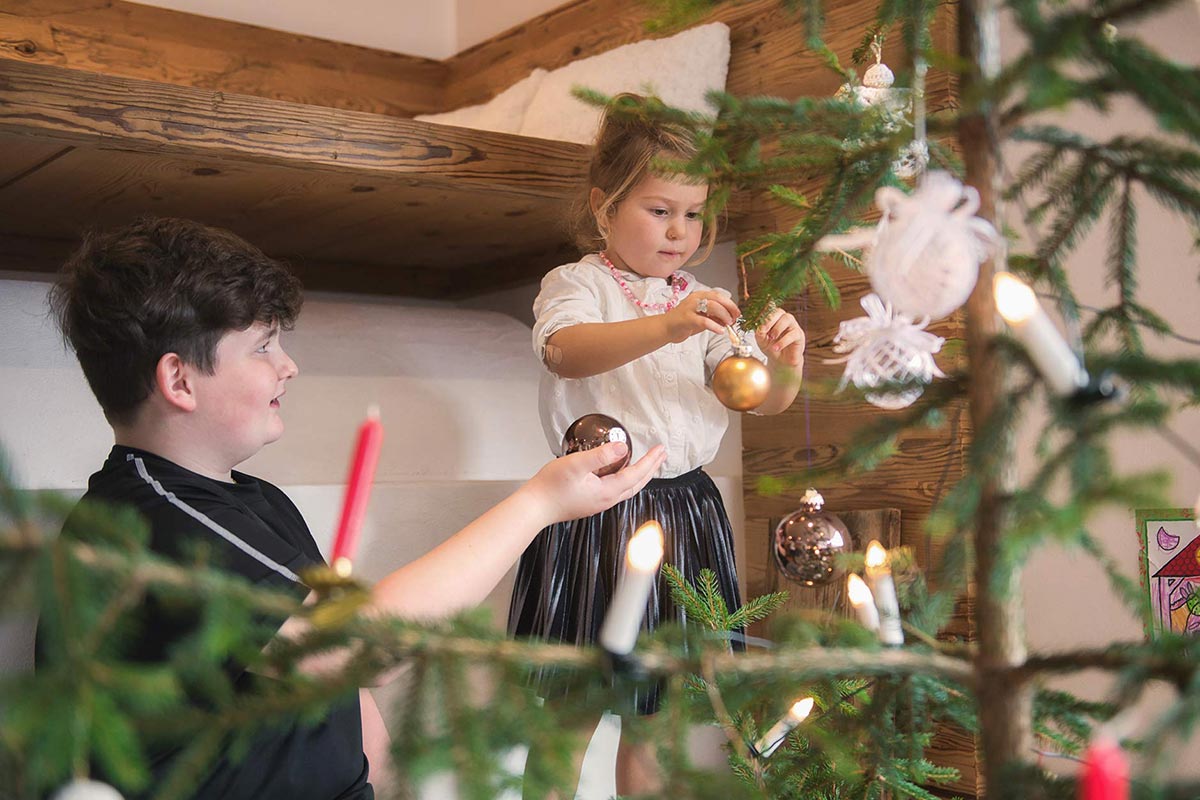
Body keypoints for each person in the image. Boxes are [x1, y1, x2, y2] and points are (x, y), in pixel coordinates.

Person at [39, 216, 666, 800]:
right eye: (262, 347)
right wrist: (538, 504)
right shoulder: (158, 523)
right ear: (179, 381)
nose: (288, 366)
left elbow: (346, 690)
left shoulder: (254, 501)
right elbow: (359, 648)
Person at [507, 95, 806, 796]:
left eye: (695, 213)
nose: (681, 231)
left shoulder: (697, 297)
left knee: (659, 714)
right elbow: (566, 352)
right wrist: (670, 326)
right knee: (577, 701)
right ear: (604, 206)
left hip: (687, 511)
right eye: (660, 209)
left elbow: (753, 398)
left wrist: (784, 363)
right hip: (598, 505)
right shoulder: (579, 285)